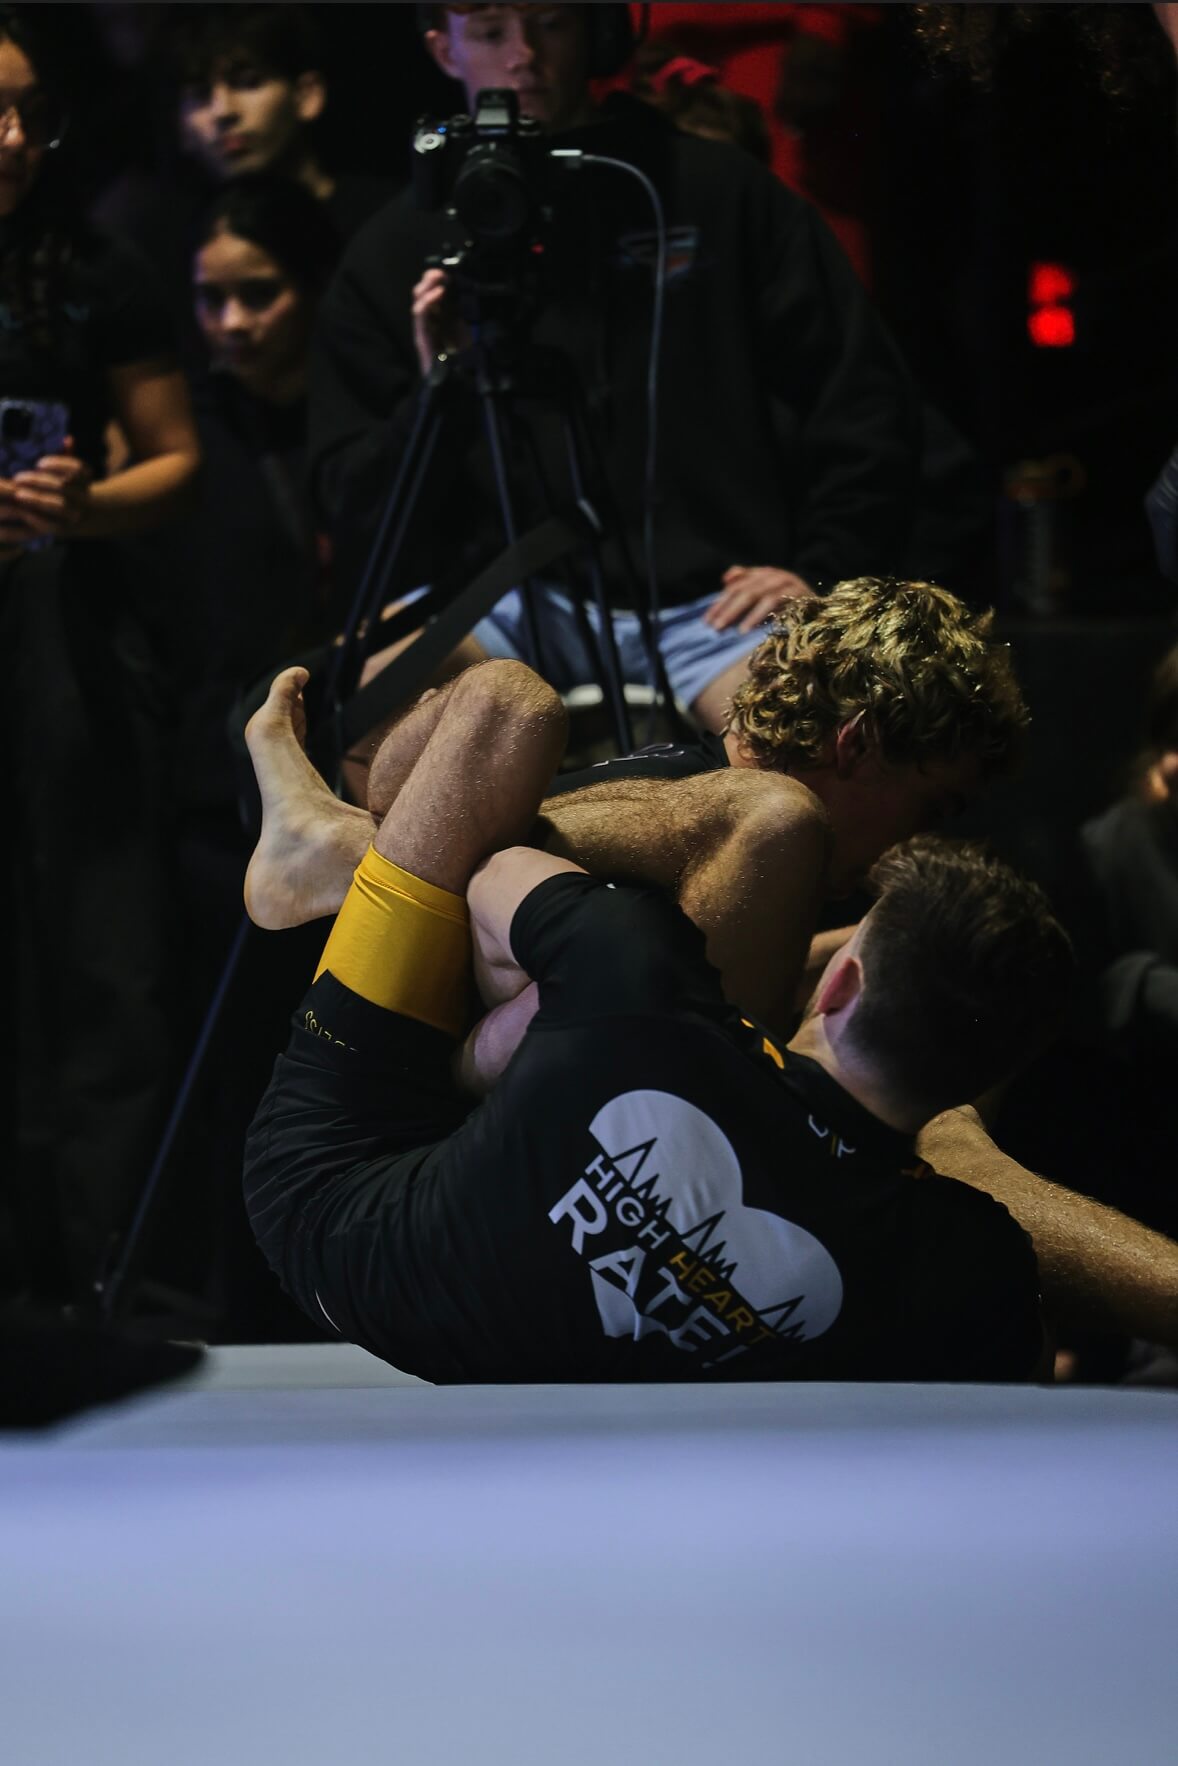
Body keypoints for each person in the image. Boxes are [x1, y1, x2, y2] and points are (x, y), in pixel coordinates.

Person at [242, 657, 1074, 1383]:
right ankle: (352, 861)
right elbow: (1021, 1367)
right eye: (932, 808)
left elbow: (497, 870)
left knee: (507, 705)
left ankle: (346, 852)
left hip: (354, 1224)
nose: (903, 847)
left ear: (840, 979)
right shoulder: (970, 1268)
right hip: (472, 1267)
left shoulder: (640, 980)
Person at [308, 2, 922, 736]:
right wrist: (445, 379)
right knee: (349, 722)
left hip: (716, 605)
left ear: (596, 32)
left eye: (552, 23)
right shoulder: (398, 244)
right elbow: (350, 497)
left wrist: (824, 570)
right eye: (493, 32)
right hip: (515, 599)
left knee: (806, 760)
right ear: (445, 49)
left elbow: (861, 401)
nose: (525, 55)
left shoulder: (711, 190)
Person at [0, 6, 201, 1304]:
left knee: (102, 956)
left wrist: (78, 507)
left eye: (30, 111)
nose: (16, 137)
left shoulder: (88, 263)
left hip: (60, 638)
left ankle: (116, 1276)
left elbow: (174, 457)